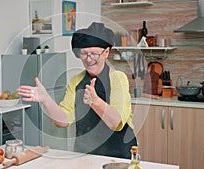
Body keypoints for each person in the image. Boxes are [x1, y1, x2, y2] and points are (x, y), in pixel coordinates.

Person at [18, 22, 137, 158]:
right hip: (85, 153)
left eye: (94, 54)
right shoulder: (76, 81)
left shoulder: (118, 78)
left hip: (118, 153)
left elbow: (116, 123)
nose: (89, 59)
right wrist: (46, 99)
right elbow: (63, 120)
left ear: (106, 53)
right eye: (84, 53)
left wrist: (95, 102)